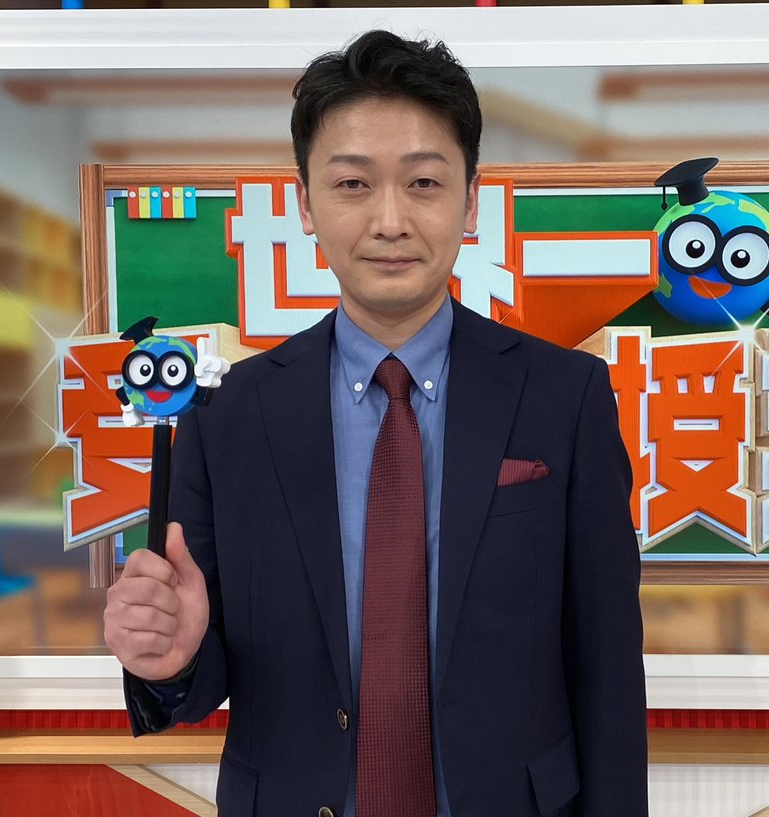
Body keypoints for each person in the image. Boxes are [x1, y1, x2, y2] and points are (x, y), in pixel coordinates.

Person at [103, 29, 647, 817]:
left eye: (423, 182)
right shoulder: (231, 411)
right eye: (353, 184)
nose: (390, 220)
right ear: (304, 203)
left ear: (470, 198)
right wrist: (171, 657)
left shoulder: (565, 395)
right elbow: (200, 675)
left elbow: (607, 667)